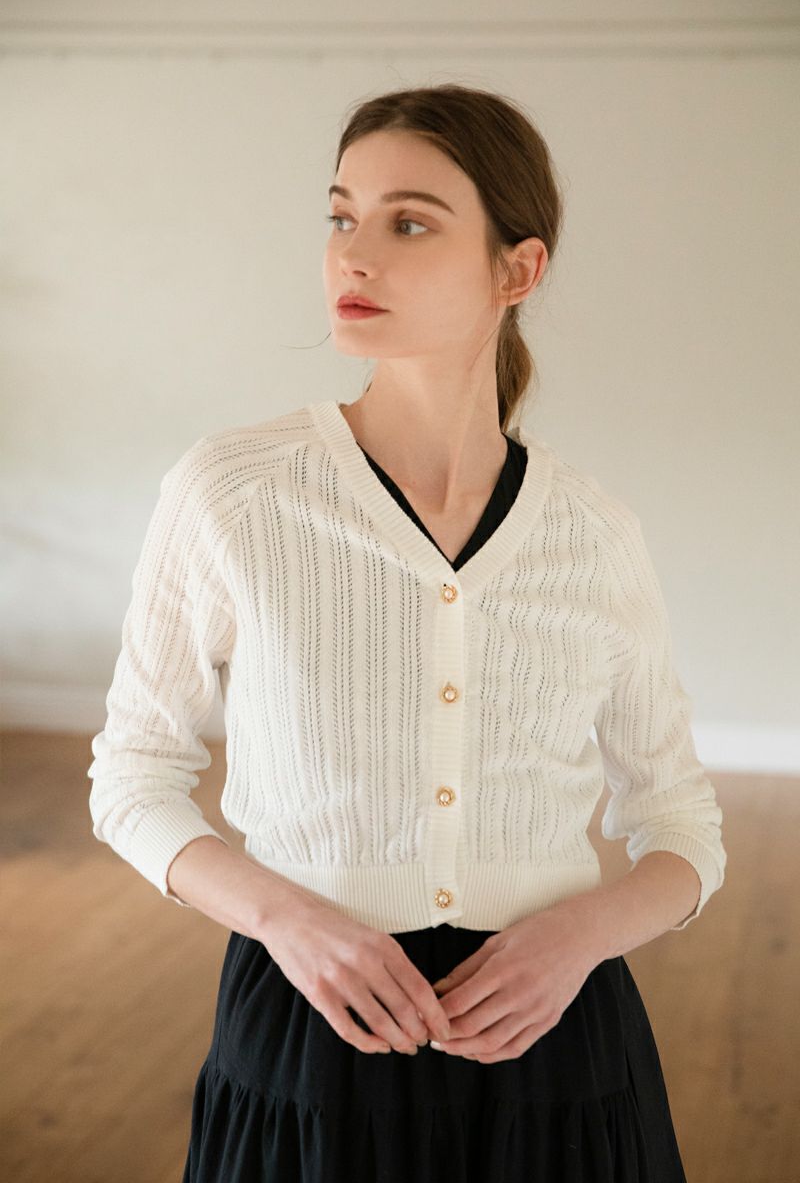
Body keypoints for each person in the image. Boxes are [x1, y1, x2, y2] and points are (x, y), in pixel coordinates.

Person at [87, 83, 726, 1181]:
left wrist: (580, 937)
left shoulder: (593, 534)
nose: (354, 254)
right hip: (309, 1034)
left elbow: (681, 825)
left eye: (409, 223)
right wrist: (285, 919)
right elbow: (132, 779)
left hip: (557, 1047)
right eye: (341, 216)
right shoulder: (232, 493)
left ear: (517, 271)